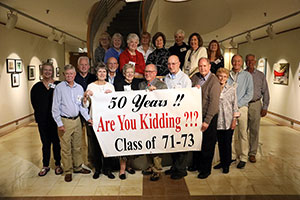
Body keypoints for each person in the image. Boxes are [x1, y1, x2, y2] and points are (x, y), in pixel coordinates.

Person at [52, 64, 92, 182]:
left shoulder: (79, 88)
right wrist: (59, 123)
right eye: (67, 74)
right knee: (66, 148)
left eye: (71, 73)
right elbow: (55, 107)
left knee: (77, 146)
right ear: (64, 75)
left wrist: (88, 118)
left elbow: (81, 107)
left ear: (75, 74)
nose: (69, 76)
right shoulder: (59, 88)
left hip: (77, 120)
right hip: (65, 121)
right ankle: (68, 170)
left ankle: (78, 167)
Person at [83, 63, 116, 180]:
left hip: (107, 122)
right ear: (96, 73)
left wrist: (111, 96)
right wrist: (86, 96)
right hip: (95, 121)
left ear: (107, 74)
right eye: (100, 72)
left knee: (107, 145)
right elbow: (86, 105)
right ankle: (97, 169)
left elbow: (115, 104)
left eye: (104, 72)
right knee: (95, 147)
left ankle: (108, 169)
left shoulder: (111, 86)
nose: (102, 74)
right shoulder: (91, 86)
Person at [30, 62, 63, 177]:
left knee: (56, 142)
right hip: (43, 120)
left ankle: (58, 164)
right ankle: (45, 165)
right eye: (45, 70)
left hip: (55, 119)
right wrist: (39, 116)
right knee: (45, 143)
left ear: (53, 71)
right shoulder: (36, 87)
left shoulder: (58, 85)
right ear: (41, 72)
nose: (47, 72)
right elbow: (34, 103)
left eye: (50, 70)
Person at [190, 57, 221, 179]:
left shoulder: (214, 81)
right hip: (196, 116)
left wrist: (207, 121)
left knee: (208, 144)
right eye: (200, 66)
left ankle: (205, 169)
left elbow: (214, 104)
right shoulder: (195, 77)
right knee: (197, 142)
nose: (202, 68)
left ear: (209, 67)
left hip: (209, 117)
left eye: (204, 66)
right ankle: (196, 165)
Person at [164, 55, 191, 179]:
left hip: (181, 115)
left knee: (181, 141)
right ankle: (174, 166)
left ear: (179, 64)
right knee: (172, 142)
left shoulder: (185, 79)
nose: (171, 66)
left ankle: (181, 169)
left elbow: (189, 98)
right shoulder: (166, 78)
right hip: (170, 115)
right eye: (169, 64)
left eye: (173, 64)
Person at [139, 64, 168, 181]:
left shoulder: (162, 85)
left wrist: (156, 93)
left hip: (157, 121)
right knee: (148, 144)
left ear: (155, 73)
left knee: (156, 145)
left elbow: (165, 101)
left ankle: (157, 169)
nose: (147, 74)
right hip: (145, 120)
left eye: (150, 72)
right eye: (146, 71)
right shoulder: (141, 84)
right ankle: (150, 166)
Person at [114, 64, 140, 180]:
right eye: (127, 72)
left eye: (132, 72)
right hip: (123, 118)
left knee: (132, 143)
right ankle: (122, 169)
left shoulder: (137, 84)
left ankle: (129, 166)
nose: (130, 74)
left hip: (134, 118)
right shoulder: (118, 84)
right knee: (124, 143)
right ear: (124, 73)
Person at [227, 54, 253, 169]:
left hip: (242, 108)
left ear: (241, 62)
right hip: (229, 108)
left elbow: (249, 94)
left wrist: (238, 105)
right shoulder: (228, 74)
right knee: (230, 134)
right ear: (232, 62)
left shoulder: (247, 76)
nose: (236, 63)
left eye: (238, 61)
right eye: (234, 61)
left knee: (243, 133)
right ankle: (232, 156)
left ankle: (243, 157)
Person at [213, 68, 240, 174]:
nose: (222, 78)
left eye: (224, 76)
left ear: (227, 78)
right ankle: (222, 161)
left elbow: (235, 105)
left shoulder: (232, 89)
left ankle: (226, 164)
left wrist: (234, 120)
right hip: (218, 120)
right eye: (220, 76)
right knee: (220, 143)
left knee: (227, 143)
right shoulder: (214, 88)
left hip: (229, 120)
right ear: (217, 76)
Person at [245, 54, 270, 163]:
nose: (250, 62)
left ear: (255, 62)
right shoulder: (242, 74)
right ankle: (242, 152)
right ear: (245, 62)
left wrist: (265, 106)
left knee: (254, 130)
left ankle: (252, 153)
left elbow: (266, 92)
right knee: (242, 130)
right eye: (248, 60)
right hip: (244, 104)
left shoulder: (260, 75)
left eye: (252, 60)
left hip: (255, 104)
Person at [74, 56, 97, 168]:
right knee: (77, 139)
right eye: (81, 65)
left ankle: (90, 160)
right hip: (76, 111)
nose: (84, 67)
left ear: (89, 66)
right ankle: (78, 162)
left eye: (86, 65)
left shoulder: (93, 78)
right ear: (78, 66)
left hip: (90, 111)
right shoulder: (73, 78)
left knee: (91, 137)